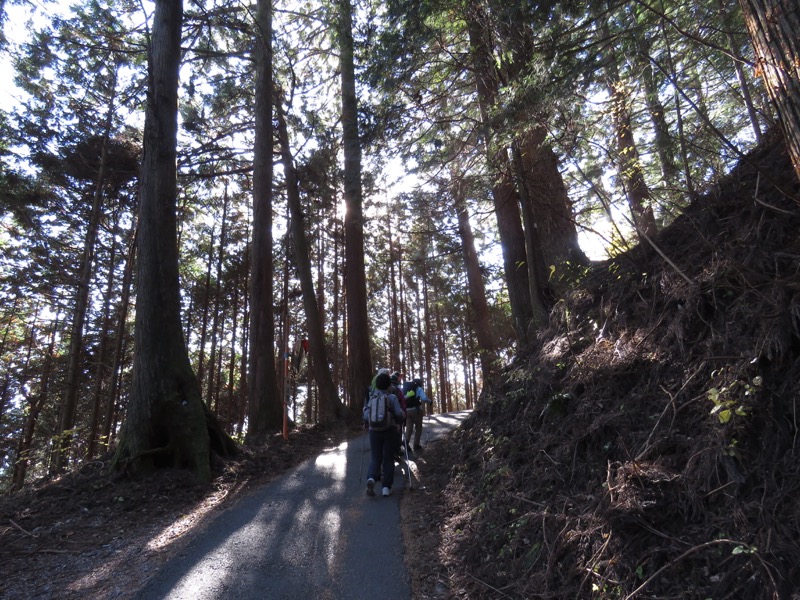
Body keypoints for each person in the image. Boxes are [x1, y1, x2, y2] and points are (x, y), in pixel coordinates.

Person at [363, 371, 405, 497]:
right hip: (389, 430)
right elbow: (398, 413)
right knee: (388, 458)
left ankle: (371, 478)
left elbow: (365, 415)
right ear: (388, 386)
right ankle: (386, 487)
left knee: (376, 457)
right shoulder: (391, 398)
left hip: (374, 431)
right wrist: (401, 418)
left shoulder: (372, 398)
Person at [403, 377, 432, 452]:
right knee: (418, 427)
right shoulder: (418, 388)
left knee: (409, 427)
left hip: (407, 410)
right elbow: (424, 398)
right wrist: (430, 401)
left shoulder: (407, 388)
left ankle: (406, 442)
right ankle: (416, 445)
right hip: (416, 410)